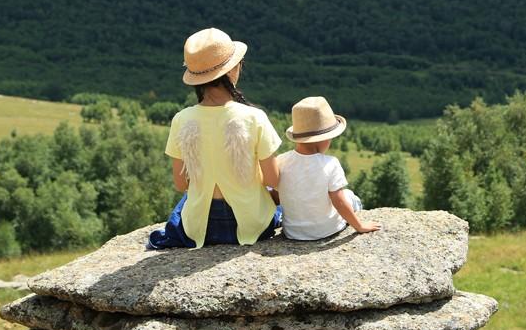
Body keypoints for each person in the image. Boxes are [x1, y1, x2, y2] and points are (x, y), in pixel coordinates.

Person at [147, 28, 282, 248]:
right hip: (252, 225)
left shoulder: (182, 119)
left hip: (200, 228)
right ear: (232, 70)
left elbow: (181, 183)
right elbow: (273, 180)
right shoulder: (255, 117)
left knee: (184, 204)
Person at [276, 96, 381, 240]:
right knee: (350, 197)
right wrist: (360, 226)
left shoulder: (281, 160)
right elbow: (339, 202)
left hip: (293, 232)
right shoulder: (331, 163)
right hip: (326, 230)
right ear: (324, 139)